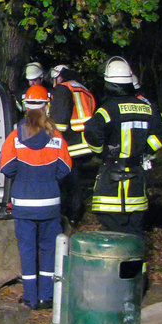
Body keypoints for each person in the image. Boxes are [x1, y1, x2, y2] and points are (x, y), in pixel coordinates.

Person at [0, 85, 72, 310]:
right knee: (49, 249)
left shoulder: (14, 137)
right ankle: (47, 297)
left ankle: (30, 299)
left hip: (24, 204)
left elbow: (6, 167)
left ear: (25, 106)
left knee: (28, 250)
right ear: (46, 106)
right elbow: (65, 169)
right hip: (50, 203)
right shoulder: (57, 137)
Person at [84, 57, 162, 236]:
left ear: (108, 83)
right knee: (135, 236)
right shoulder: (147, 107)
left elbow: (91, 131)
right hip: (136, 182)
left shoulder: (108, 109)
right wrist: (147, 149)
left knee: (115, 236)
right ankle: (135, 264)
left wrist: (102, 152)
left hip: (111, 186)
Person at [48, 64, 96, 226]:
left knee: (66, 183)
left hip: (70, 144)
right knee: (75, 182)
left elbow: (60, 122)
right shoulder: (84, 89)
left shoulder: (63, 89)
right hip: (85, 143)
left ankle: (68, 215)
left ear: (59, 76)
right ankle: (75, 215)